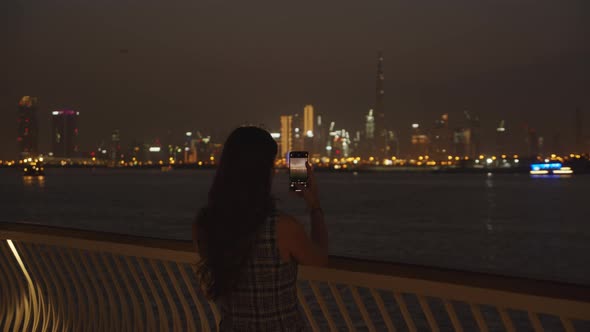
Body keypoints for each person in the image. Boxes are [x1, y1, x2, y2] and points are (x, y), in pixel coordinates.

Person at [192, 126, 329, 331]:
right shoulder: (282, 227)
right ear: (263, 172)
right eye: (271, 165)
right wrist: (314, 204)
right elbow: (320, 260)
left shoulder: (205, 225)